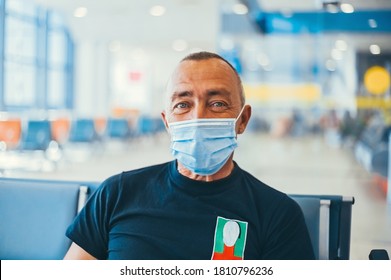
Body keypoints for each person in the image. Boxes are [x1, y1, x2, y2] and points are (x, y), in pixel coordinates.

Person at [64, 51, 315, 260]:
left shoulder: (276, 215)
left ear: (243, 120)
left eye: (217, 104)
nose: (198, 118)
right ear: (167, 121)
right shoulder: (117, 194)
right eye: (183, 105)